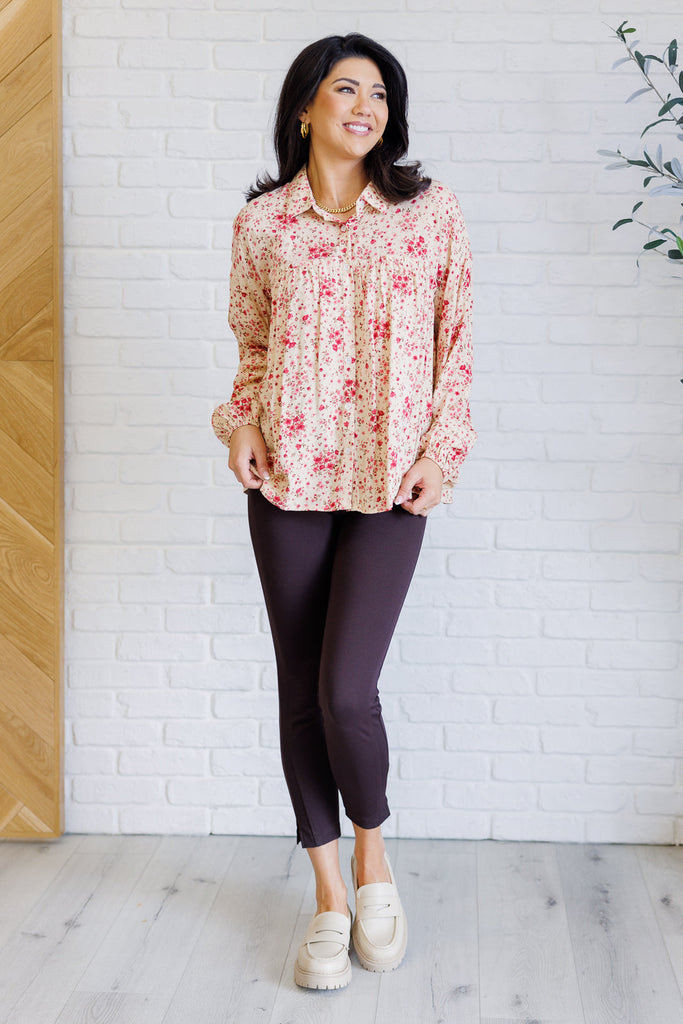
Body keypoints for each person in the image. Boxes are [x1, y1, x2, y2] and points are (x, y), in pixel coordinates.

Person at [212, 32, 476, 991]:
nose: (365, 107)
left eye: (380, 94)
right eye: (345, 89)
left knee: (345, 691)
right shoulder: (262, 225)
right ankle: (327, 895)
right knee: (299, 691)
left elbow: (457, 344)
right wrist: (240, 423)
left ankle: (373, 863)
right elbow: (251, 349)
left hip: (389, 482)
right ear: (304, 107)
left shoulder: (427, 212)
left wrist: (441, 455)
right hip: (286, 483)